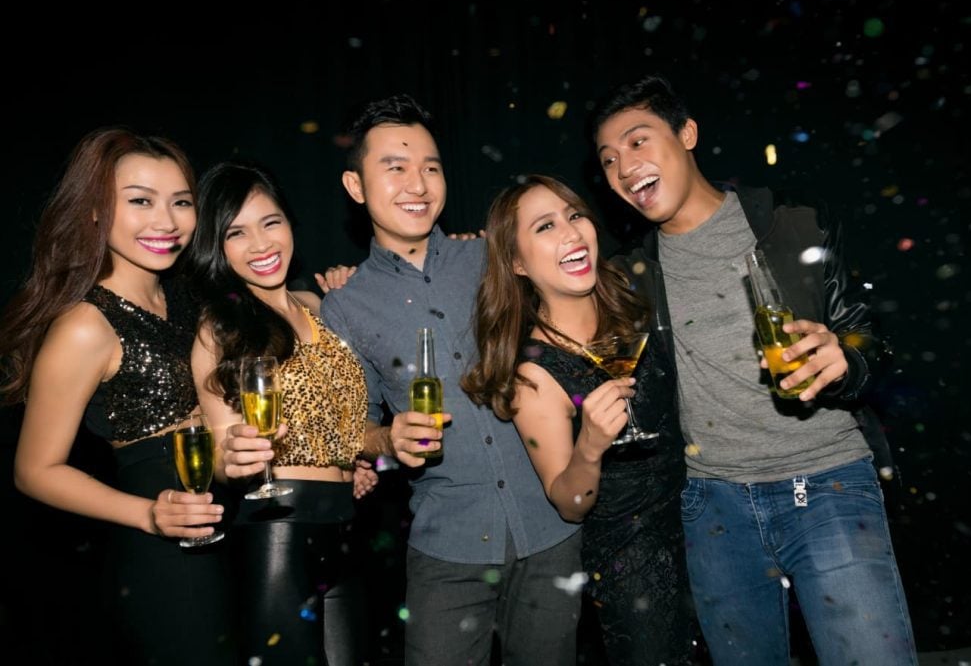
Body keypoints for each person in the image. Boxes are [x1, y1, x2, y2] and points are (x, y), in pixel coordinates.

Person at [592, 74, 916, 665]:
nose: (624, 167)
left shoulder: (792, 223)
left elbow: (874, 336)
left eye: (638, 142)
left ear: (687, 134)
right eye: (609, 159)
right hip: (714, 507)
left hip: (830, 483)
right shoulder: (632, 276)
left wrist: (849, 357)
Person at [319, 95, 582, 666]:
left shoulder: (493, 256)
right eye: (395, 168)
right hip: (447, 548)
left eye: (430, 167)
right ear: (355, 185)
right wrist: (388, 441)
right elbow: (350, 427)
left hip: (551, 531)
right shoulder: (345, 307)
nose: (418, 183)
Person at [0, 127, 234, 665]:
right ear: (93, 212)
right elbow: (35, 470)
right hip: (165, 560)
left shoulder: (186, 298)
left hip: (225, 536)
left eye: (180, 202)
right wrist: (150, 515)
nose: (166, 221)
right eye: (140, 202)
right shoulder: (87, 326)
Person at [462, 175, 695, 665]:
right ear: (517, 263)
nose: (571, 232)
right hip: (634, 563)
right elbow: (569, 502)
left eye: (574, 215)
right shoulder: (535, 374)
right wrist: (590, 448)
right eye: (545, 226)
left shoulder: (636, 303)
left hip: (707, 523)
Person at [188, 160, 391, 666]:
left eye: (270, 222)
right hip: (279, 531)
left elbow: (348, 412)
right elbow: (219, 451)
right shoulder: (219, 328)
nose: (260, 244)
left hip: (349, 524)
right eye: (237, 232)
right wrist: (229, 458)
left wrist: (357, 457)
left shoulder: (322, 305)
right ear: (217, 246)